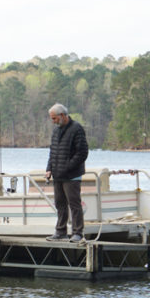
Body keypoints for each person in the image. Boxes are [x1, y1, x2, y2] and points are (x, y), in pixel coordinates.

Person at [44, 103, 89, 242]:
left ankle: (77, 232)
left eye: (54, 118)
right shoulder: (56, 131)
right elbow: (53, 151)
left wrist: (67, 166)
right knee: (60, 204)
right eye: (52, 119)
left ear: (62, 115)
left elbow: (82, 153)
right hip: (57, 175)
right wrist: (49, 168)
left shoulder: (77, 129)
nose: (53, 122)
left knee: (74, 203)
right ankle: (60, 231)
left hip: (72, 175)